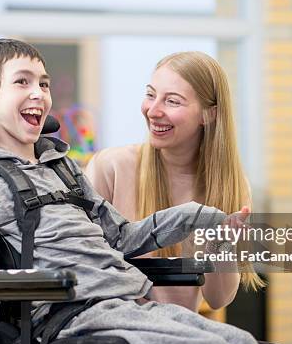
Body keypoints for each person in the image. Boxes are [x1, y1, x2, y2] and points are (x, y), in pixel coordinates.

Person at [0, 39, 276, 344]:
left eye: (44, 84)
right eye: (22, 82)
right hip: (71, 312)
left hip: (123, 301)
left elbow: (121, 236)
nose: (38, 93)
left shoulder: (64, 169)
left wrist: (198, 216)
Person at [85, 51, 265, 312]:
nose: (153, 110)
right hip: (113, 327)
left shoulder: (231, 187)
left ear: (209, 114)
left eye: (172, 101)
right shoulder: (109, 167)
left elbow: (218, 299)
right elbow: (81, 267)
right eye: (150, 95)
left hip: (177, 330)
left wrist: (219, 246)